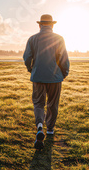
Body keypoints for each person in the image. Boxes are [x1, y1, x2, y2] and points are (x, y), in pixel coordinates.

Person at [23, 14, 70, 150]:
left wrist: (31, 69)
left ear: (39, 25)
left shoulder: (32, 39)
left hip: (38, 77)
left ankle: (39, 126)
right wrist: (64, 73)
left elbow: (26, 57)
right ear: (52, 25)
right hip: (55, 78)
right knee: (52, 103)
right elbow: (64, 59)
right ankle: (50, 129)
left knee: (38, 103)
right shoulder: (59, 39)